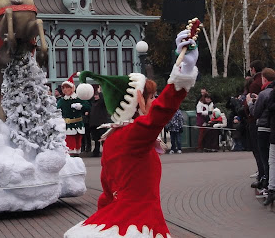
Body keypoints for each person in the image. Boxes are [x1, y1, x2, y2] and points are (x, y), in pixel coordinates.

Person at [65, 28, 198, 238]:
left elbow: (107, 195)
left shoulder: (112, 139)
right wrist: (184, 71)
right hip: (141, 223)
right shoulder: (133, 134)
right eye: (151, 96)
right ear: (138, 101)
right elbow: (162, 111)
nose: (153, 101)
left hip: (119, 220)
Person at [251, 68, 275, 190]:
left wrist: (251, 103)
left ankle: (267, 184)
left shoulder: (264, 93)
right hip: (271, 128)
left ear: (264, 78)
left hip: (263, 128)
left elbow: (256, 112)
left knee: (266, 159)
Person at [57, 75, 90, 155]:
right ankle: (72, 160)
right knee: (70, 147)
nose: (65, 90)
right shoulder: (62, 101)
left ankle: (77, 160)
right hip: (68, 127)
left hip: (79, 125)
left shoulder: (79, 98)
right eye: (63, 88)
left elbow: (88, 106)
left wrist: (81, 107)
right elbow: (56, 111)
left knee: (78, 146)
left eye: (67, 87)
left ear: (72, 88)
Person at [245, 60, 265, 181]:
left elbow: (251, 103)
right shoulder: (259, 82)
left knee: (257, 148)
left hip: (255, 119)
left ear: (253, 69)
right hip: (263, 119)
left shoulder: (254, 84)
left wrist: (247, 108)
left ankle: (262, 174)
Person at [87, 88, 110, 157]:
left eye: (97, 95)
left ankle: (106, 152)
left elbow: (103, 100)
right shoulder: (93, 103)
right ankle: (96, 152)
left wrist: (101, 92)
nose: (95, 96)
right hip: (94, 124)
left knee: (103, 139)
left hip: (101, 124)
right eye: (95, 95)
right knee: (96, 139)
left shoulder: (102, 103)